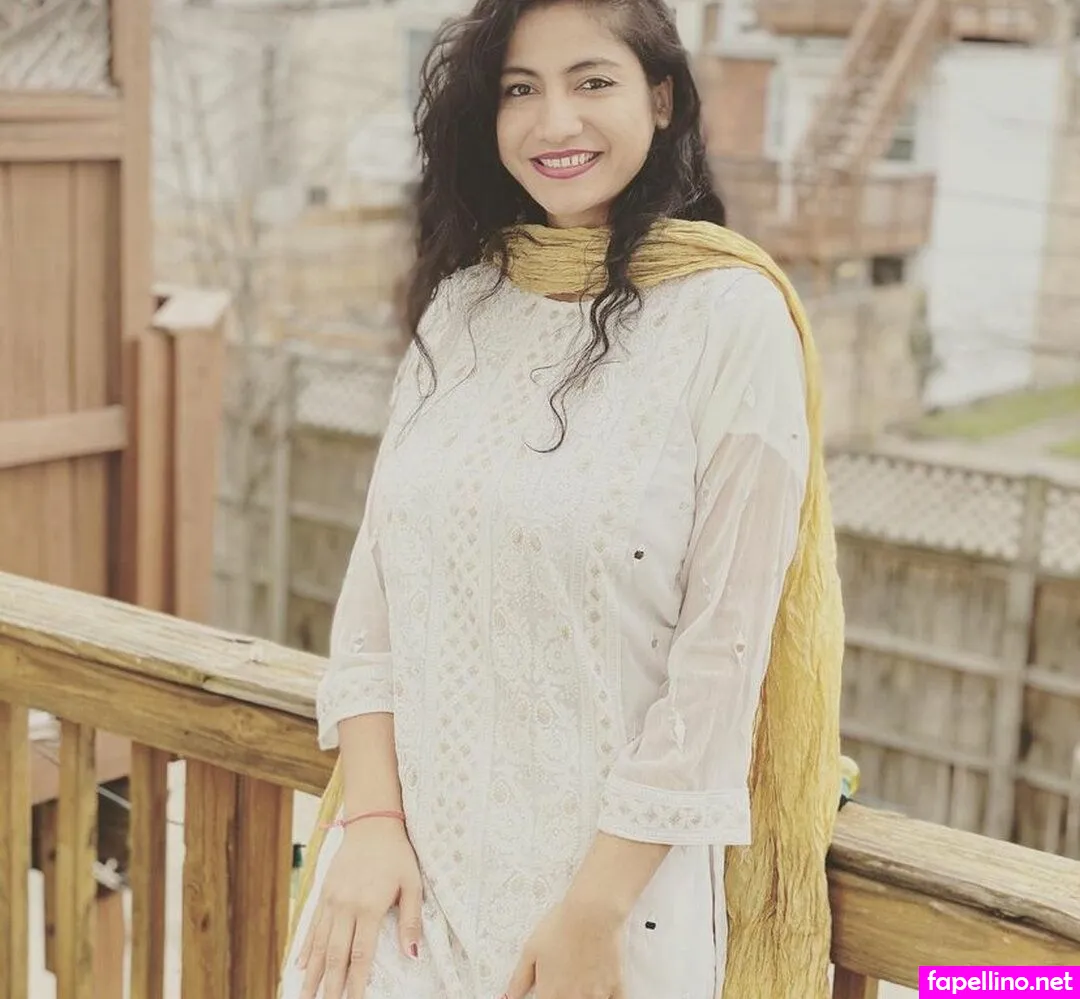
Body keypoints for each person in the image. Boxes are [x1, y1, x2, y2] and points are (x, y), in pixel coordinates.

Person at [277, 0, 845, 997]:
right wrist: (370, 824)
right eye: (520, 89)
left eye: (592, 82)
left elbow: (720, 661)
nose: (555, 122)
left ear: (660, 99)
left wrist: (593, 912)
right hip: (395, 892)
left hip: (609, 911)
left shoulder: (732, 316)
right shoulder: (464, 305)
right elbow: (374, 603)